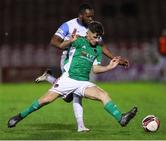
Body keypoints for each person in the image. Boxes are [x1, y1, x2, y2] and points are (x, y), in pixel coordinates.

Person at [8, 21, 137, 131]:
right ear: (88, 33)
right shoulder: (78, 41)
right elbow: (59, 45)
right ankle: (19, 116)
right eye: (95, 36)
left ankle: (121, 118)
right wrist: (69, 41)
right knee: (43, 101)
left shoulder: (97, 49)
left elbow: (95, 69)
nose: (97, 39)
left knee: (104, 95)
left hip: (83, 83)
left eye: (99, 37)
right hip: (67, 80)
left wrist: (109, 67)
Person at [35, 4, 129, 132]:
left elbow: (101, 46)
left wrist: (116, 59)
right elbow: (54, 41)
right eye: (88, 16)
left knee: (68, 97)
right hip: (70, 59)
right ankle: (81, 126)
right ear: (80, 15)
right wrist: (71, 45)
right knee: (75, 95)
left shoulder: (93, 28)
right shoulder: (68, 25)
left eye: (92, 16)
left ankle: (50, 78)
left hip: (83, 61)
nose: (91, 19)